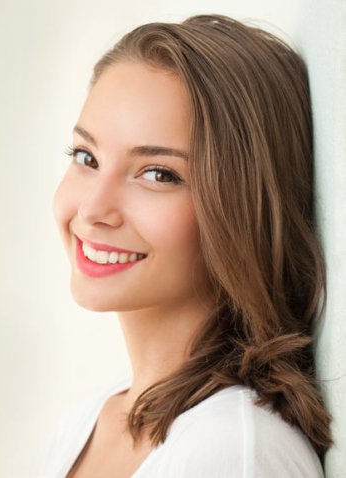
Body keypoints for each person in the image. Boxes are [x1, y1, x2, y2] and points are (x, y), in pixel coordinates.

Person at [41, 14, 332, 478]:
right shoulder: (83, 423)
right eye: (87, 157)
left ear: (241, 208)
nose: (94, 209)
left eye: (159, 174)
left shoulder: (234, 452)